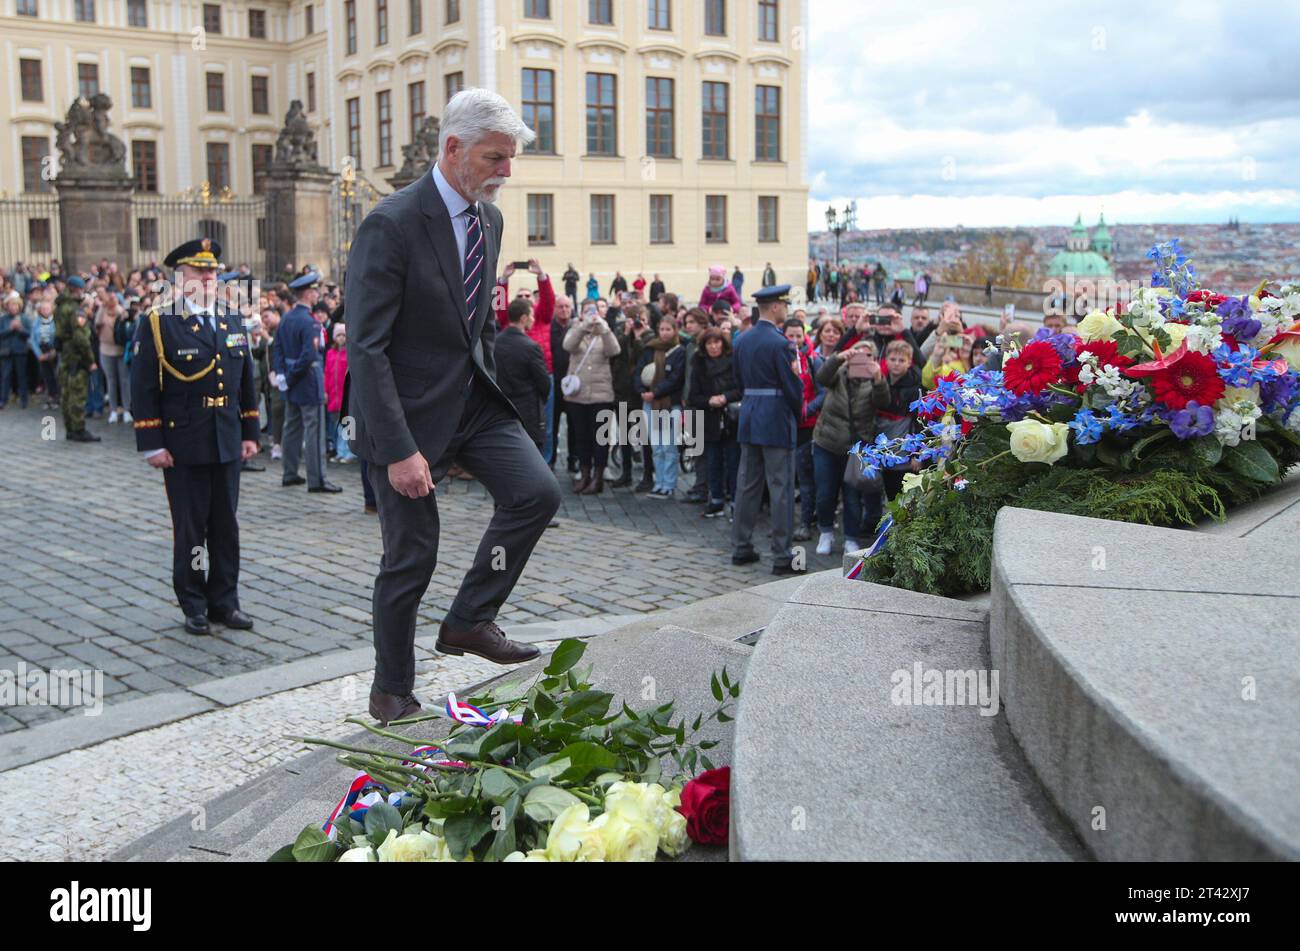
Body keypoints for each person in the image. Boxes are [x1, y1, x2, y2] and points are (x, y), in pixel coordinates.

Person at [345, 87, 560, 724]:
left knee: (537, 493)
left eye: (511, 158)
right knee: (412, 555)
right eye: (496, 158)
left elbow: (478, 325)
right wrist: (399, 450)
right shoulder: (392, 223)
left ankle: (469, 620)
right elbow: (367, 347)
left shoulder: (489, 220)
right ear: (453, 149)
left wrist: (491, 390)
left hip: (473, 403)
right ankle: (392, 692)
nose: (507, 171)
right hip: (406, 418)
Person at [129, 237, 261, 635]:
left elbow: (245, 383)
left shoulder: (231, 319)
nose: (208, 278)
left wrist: (250, 431)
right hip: (183, 443)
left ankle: (226, 600)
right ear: (180, 278)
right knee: (191, 528)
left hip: (225, 438)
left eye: (212, 272)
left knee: (226, 526)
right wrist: (152, 442)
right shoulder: (158, 321)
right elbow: (144, 388)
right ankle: (194, 603)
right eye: (199, 272)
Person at [731, 285, 803, 574]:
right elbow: (792, 387)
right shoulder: (781, 343)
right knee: (781, 487)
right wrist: (798, 412)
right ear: (775, 307)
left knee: (747, 485)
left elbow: (739, 382)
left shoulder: (742, 340)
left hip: (749, 414)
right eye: (784, 305)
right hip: (775, 418)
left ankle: (741, 546)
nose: (785, 309)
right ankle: (782, 555)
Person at [812, 338, 890, 554]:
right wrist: (837, 358)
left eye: (868, 357)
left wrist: (878, 378)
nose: (861, 361)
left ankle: (850, 537)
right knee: (825, 493)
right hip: (827, 442)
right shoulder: (839, 374)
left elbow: (883, 402)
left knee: (853, 496)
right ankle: (826, 532)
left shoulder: (874, 380)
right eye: (858, 355)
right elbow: (821, 377)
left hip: (857, 448)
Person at [274, 271, 340, 493]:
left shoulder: (287, 318)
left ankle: (289, 472)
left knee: (291, 427)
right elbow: (310, 355)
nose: (317, 295)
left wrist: (283, 374)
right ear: (309, 293)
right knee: (314, 431)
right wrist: (291, 375)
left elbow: (278, 348)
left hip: (291, 381)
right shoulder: (309, 321)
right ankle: (317, 479)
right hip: (308, 380)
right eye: (314, 291)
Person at [563, 299, 622, 494]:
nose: (591, 315)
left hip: (601, 396)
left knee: (601, 439)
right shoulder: (576, 330)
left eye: (594, 312)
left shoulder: (605, 333)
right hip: (578, 396)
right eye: (587, 312)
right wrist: (583, 326)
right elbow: (568, 346)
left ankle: (598, 477)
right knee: (582, 437)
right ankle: (585, 473)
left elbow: (614, 351)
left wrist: (604, 329)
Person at [688, 326, 741, 518]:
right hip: (709, 419)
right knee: (713, 462)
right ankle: (716, 499)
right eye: (709, 343)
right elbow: (693, 395)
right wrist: (709, 400)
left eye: (717, 342)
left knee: (734, 462)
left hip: (731, 419)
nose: (713, 347)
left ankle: (736, 502)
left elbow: (740, 388)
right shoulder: (699, 364)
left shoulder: (733, 362)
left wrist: (725, 397)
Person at [636, 312, 687, 498]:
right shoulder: (650, 349)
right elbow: (639, 371)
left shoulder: (680, 352)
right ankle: (659, 482)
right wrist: (642, 390)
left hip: (669, 404)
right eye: (662, 329)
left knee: (669, 446)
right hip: (650, 404)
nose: (665, 333)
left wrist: (655, 392)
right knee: (656, 446)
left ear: (675, 331)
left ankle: (669, 484)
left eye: (668, 329)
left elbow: (676, 379)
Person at [495, 297, 552, 456]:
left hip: (502, 409)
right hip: (527, 411)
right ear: (523, 318)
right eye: (532, 315)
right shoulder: (531, 347)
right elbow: (544, 383)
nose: (533, 319)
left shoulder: (496, 342)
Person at [54, 277, 100, 442]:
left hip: (66, 353)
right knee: (78, 393)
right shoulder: (74, 309)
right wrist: (90, 360)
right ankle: (79, 429)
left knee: (66, 392)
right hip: (76, 355)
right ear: (77, 289)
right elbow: (81, 338)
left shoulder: (59, 306)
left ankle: (70, 428)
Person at [324, 322, 355, 462]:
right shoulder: (330, 353)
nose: (341, 338)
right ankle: (340, 451)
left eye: (343, 335)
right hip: (333, 395)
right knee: (337, 425)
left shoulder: (350, 353)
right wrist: (325, 391)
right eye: (338, 335)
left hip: (345, 393)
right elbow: (327, 373)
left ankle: (350, 451)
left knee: (348, 423)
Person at [0, 291, 32, 409]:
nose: (13, 307)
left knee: (22, 376)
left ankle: (24, 399)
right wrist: (10, 329)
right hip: (6, 351)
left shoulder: (24, 318)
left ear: (19, 306)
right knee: (5, 376)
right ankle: (3, 399)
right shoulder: (3, 319)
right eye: (11, 305)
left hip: (21, 351)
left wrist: (20, 329)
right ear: (7, 306)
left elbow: (30, 334)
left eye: (15, 305)